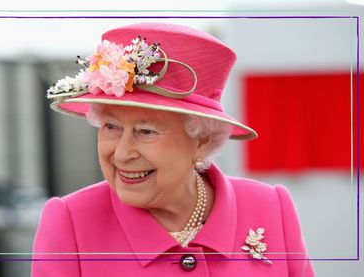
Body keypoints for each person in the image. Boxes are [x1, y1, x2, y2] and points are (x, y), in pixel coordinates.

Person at [32, 22, 315, 276]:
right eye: (111, 127)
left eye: (146, 131)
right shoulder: (71, 223)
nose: (121, 153)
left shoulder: (271, 208)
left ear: (202, 141)